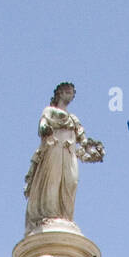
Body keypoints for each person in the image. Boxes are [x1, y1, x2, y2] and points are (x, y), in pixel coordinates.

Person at [24, 83, 105, 232]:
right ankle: (50, 215)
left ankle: (65, 217)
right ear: (59, 93)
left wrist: (93, 151)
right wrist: (44, 128)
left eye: (72, 93)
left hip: (69, 153)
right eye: (67, 91)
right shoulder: (50, 111)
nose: (71, 94)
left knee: (71, 181)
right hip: (54, 149)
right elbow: (43, 123)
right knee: (53, 180)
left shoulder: (73, 119)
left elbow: (83, 140)